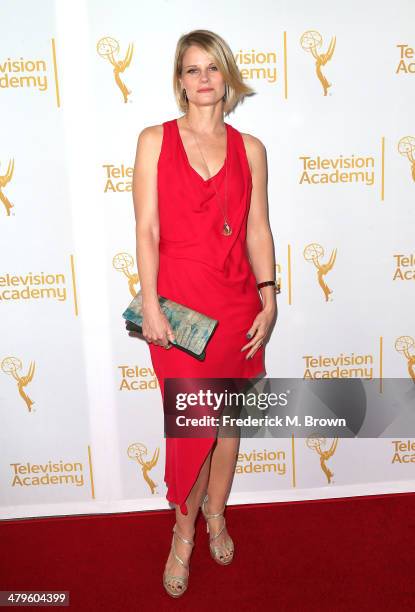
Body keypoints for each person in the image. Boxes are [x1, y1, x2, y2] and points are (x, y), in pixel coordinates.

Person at [132, 29, 278, 598]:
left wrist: (269, 297)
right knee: (192, 427)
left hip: (238, 303)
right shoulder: (153, 141)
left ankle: (217, 514)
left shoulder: (251, 149)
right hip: (179, 311)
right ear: (180, 80)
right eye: (192, 70)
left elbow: (258, 229)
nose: (203, 79)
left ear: (227, 77)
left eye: (212, 68)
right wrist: (149, 303)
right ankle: (184, 533)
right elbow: (145, 228)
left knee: (228, 425)